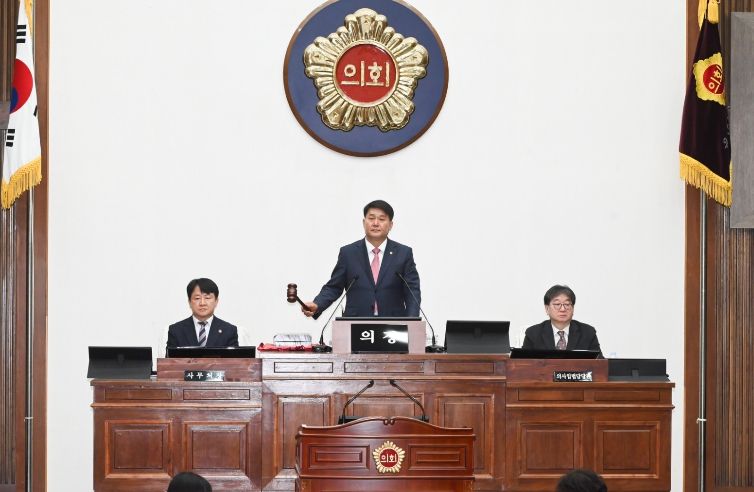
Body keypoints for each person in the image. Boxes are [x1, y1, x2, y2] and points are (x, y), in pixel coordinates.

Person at [302, 200, 421, 318]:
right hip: (355, 323)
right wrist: (317, 304)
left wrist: (412, 321)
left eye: (381, 219)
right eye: (371, 218)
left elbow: (412, 292)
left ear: (390, 225)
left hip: (393, 324)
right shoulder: (348, 253)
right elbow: (334, 287)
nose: (375, 223)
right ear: (364, 222)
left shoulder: (403, 253)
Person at [522, 285, 601, 355]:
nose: (562, 309)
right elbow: (523, 363)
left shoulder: (588, 332)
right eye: (557, 304)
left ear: (573, 308)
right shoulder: (533, 333)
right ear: (547, 308)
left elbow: (600, 363)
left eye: (567, 304)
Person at [166, 278, 239, 349]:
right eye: (197, 298)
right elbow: (170, 357)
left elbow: (234, 357)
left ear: (216, 301)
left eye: (207, 298)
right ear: (189, 302)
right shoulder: (176, 331)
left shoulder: (229, 331)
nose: (202, 303)